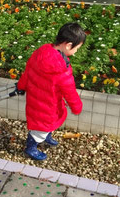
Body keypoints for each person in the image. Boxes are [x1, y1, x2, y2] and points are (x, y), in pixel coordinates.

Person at [17, 22, 86, 160]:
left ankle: (46, 135)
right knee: (41, 128)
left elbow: (28, 71)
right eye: (77, 48)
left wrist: (21, 85)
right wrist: (76, 106)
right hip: (48, 104)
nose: (76, 51)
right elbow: (69, 90)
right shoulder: (61, 68)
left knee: (48, 123)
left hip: (36, 99)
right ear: (68, 45)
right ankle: (30, 148)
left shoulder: (41, 51)